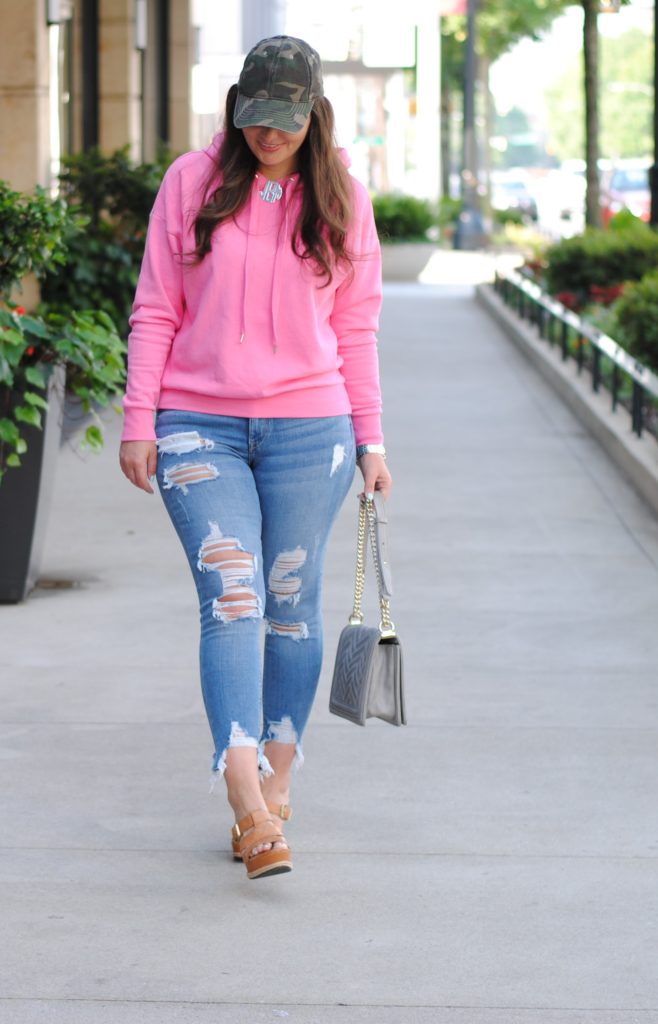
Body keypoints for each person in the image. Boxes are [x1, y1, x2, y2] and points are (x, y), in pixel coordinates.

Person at [119, 36, 391, 880]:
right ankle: (243, 792)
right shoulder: (191, 183)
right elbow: (157, 308)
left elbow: (357, 325)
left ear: (313, 113)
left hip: (314, 430)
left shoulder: (339, 193)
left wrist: (372, 437)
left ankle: (278, 777)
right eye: (256, 117)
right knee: (230, 592)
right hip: (199, 425)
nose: (269, 134)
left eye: (287, 120)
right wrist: (139, 419)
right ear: (238, 107)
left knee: (289, 604)